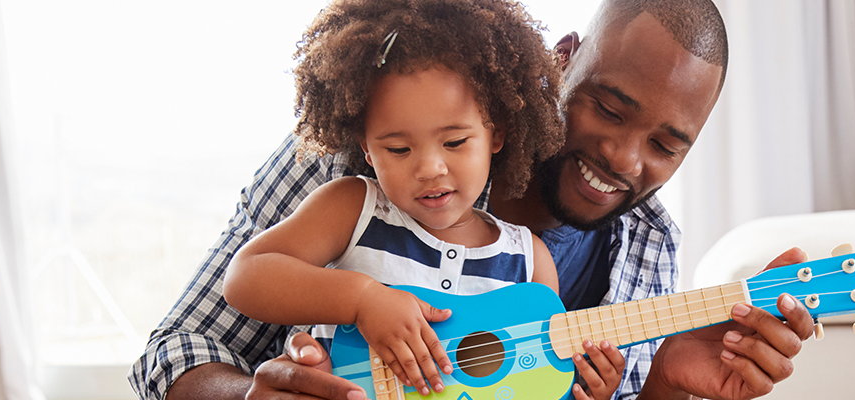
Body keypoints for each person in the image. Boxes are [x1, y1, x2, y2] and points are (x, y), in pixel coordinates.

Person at [129, 0, 817, 399]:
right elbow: (174, 350)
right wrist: (247, 396)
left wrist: (664, 383)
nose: (624, 159)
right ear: (562, 59)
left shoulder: (646, 243)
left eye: (666, 145)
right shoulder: (373, 152)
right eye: (609, 109)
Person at [218, 1, 623, 399]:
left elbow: (527, 385)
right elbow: (246, 277)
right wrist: (362, 299)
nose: (430, 168)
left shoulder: (529, 261)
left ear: (496, 134)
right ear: (367, 147)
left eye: (455, 142)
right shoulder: (355, 209)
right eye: (398, 149)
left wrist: (583, 392)